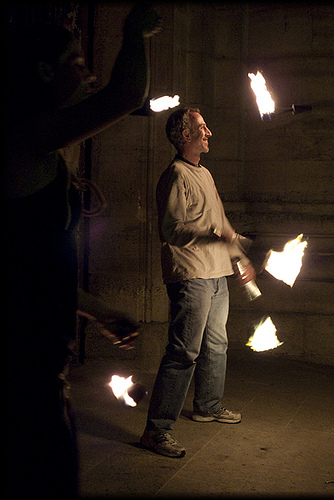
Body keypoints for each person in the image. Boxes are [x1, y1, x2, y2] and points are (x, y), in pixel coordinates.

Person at [4, 5, 161, 496]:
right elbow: (126, 93)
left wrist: (98, 313)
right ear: (43, 72)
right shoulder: (22, 137)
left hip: (43, 363)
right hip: (17, 367)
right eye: (75, 59)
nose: (87, 70)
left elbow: (35, 266)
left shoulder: (43, 147)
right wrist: (134, 29)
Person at [140, 107, 256, 458]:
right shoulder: (176, 174)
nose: (209, 133)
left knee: (217, 344)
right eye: (202, 128)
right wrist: (212, 235)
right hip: (190, 275)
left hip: (216, 273)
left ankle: (208, 405)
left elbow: (222, 224)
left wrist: (240, 258)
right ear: (184, 135)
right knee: (184, 352)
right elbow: (171, 229)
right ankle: (157, 429)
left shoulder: (204, 173)